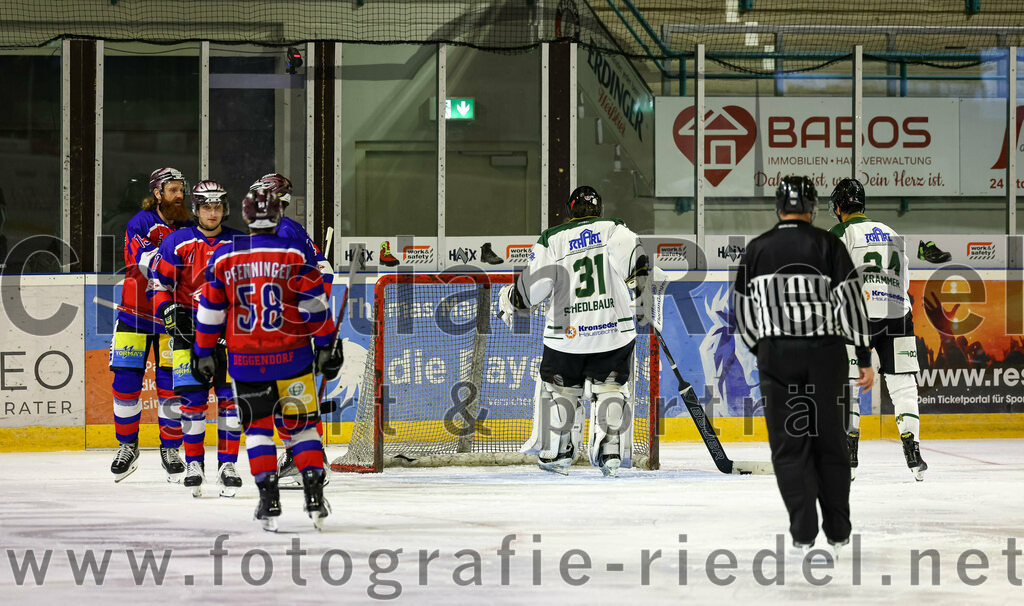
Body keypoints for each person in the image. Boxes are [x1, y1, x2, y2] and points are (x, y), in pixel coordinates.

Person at [732, 175, 874, 553]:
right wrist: (862, 356)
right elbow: (853, 304)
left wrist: (761, 349)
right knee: (830, 441)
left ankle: (803, 529)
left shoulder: (757, 249)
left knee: (788, 445)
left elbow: (743, 312)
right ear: (812, 208)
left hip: (776, 355)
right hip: (825, 354)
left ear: (779, 208)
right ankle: (839, 530)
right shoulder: (829, 244)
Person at [192, 186, 343, 531]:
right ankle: (314, 495)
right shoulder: (294, 255)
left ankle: (268, 498)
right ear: (278, 216)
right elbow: (315, 309)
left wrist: (202, 351)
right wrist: (326, 345)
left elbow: (211, 312)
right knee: (302, 428)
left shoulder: (225, 257)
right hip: (293, 359)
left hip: (247, 363)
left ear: (245, 216)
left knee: (259, 432)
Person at [500, 185, 648, 477]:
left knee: (562, 390)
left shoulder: (552, 238)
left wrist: (509, 299)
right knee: (611, 387)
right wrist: (644, 300)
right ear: (600, 209)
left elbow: (533, 290)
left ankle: (561, 449)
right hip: (614, 332)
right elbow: (639, 265)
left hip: (566, 335)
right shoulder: (613, 228)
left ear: (569, 211)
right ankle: (610, 450)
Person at [828, 178, 927, 481]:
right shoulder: (893, 234)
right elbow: (905, 282)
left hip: (859, 312)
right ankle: (914, 456)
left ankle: (849, 456)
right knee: (903, 386)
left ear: (837, 208)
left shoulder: (839, 233)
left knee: (848, 383)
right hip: (898, 313)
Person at [149, 180, 244, 497]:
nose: (212, 213)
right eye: (206, 207)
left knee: (230, 400)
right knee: (192, 402)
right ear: (198, 208)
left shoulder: (241, 244)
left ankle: (227, 464)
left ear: (224, 209)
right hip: (189, 330)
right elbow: (159, 286)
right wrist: (168, 310)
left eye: (217, 207)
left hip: (231, 333)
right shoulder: (178, 242)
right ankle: (194, 464)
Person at [247, 173, 334, 488]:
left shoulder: (283, 231)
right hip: (286, 328)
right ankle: (304, 457)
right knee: (292, 399)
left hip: (285, 332)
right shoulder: (289, 228)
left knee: (290, 399)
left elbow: (317, 276)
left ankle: (309, 461)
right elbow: (324, 270)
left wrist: (300, 313)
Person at [109, 168, 191, 483]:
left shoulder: (190, 225)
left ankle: (171, 449)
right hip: (135, 314)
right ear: (157, 193)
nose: (179, 195)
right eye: (172, 190)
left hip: (174, 317)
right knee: (125, 384)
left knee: (172, 388)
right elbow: (146, 262)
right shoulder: (139, 223)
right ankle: (127, 446)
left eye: (181, 189)